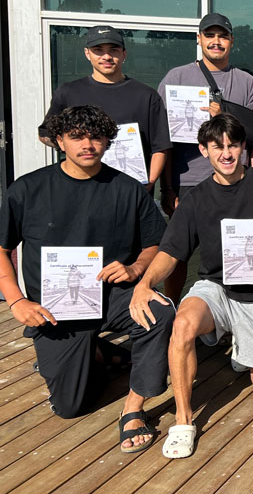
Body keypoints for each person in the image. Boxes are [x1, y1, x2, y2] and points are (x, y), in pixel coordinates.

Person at [131, 114, 253, 459]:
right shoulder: (196, 199)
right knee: (183, 324)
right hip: (215, 287)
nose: (226, 154)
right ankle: (183, 421)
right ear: (204, 150)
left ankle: (242, 347)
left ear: (243, 148)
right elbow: (170, 251)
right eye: (218, 147)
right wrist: (145, 284)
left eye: (233, 145)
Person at [0, 106, 173, 453]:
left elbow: (156, 244)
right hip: (55, 306)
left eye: (95, 136)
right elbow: (2, 249)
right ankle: (98, 353)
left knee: (161, 312)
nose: (87, 144)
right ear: (60, 140)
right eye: (77, 136)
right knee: (70, 406)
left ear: (108, 141)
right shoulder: (27, 189)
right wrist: (18, 301)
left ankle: (134, 409)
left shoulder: (128, 190)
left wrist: (136, 270)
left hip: (112, 296)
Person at [158, 13, 253, 303]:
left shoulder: (247, 83)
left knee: (231, 249)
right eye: (210, 35)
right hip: (188, 181)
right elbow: (163, 141)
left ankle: (227, 312)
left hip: (235, 182)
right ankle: (172, 309)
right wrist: (166, 188)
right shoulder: (176, 78)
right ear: (199, 38)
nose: (216, 42)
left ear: (232, 41)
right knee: (178, 251)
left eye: (222, 36)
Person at [39, 25, 171, 190]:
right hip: (80, 186)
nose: (106, 56)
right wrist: (76, 147)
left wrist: (149, 183)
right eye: (98, 50)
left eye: (114, 50)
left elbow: (161, 147)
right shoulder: (68, 92)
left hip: (131, 187)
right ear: (87, 53)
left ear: (124, 54)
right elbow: (44, 134)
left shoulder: (147, 96)